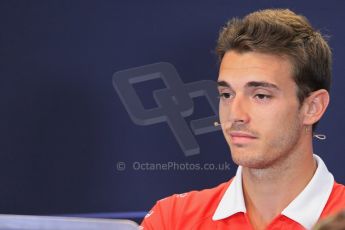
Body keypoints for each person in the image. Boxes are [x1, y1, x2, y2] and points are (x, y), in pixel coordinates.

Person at [140, 8, 345, 230]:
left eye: (260, 96)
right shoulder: (173, 219)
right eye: (226, 95)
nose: (235, 115)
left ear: (312, 107)